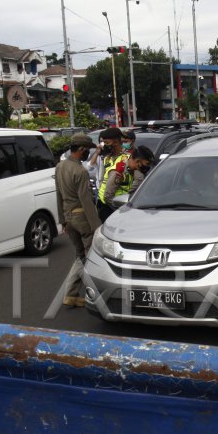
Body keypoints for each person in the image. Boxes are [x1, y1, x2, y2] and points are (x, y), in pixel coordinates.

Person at [55, 134, 103, 308]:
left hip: (68, 216)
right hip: (82, 217)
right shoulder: (80, 171)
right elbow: (86, 200)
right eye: (87, 151)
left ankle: (71, 294)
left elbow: (58, 194)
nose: (87, 154)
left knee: (80, 256)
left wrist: (62, 220)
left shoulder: (60, 166)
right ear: (81, 149)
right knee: (91, 257)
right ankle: (97, 295)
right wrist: (97, 226)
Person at [100, 145, 153, 220]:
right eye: (146, 164)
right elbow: (107, 197)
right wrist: (124, 210)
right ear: (138, 161)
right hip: (110, 209)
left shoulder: (133, 169)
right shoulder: (118, 172)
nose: (147, 167)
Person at [95, 127, 125, 215]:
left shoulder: (127, 158)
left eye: (107, 142)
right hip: (102, 202)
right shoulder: (107, 158)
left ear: (116, 142)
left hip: (117, 203)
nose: (104, 145)